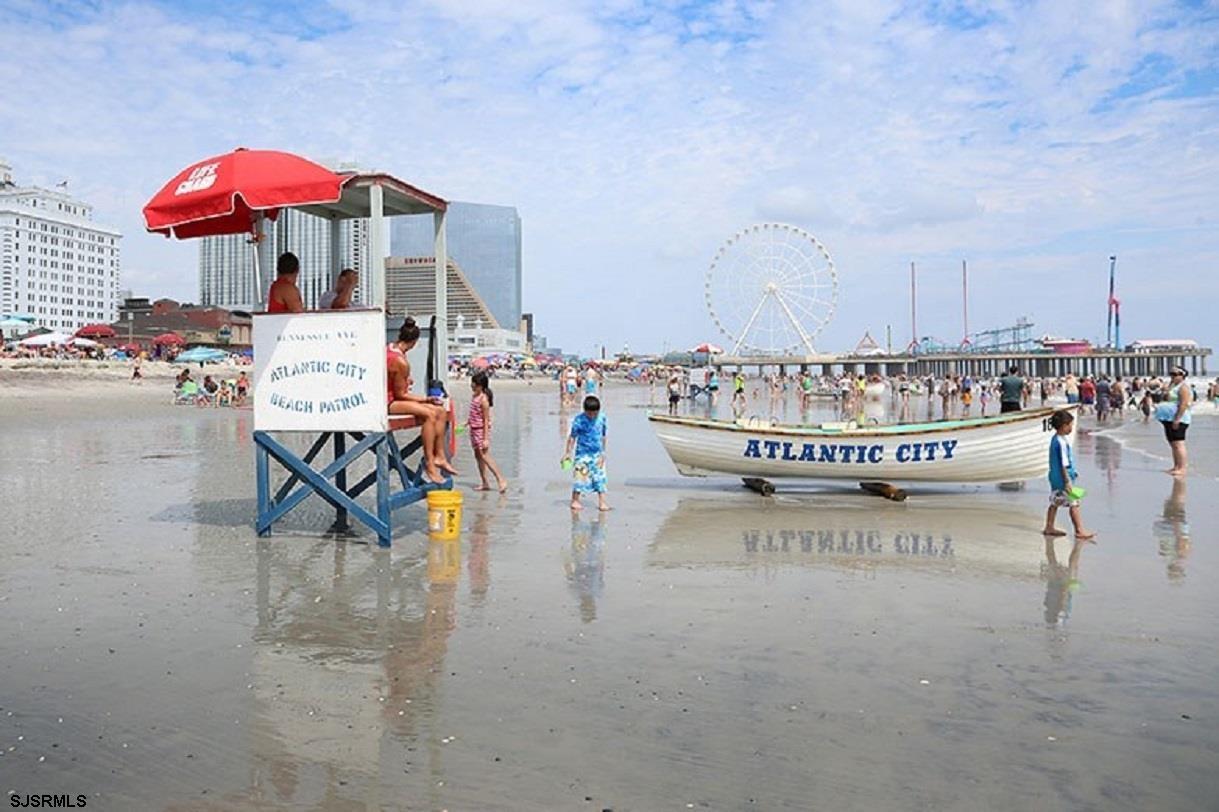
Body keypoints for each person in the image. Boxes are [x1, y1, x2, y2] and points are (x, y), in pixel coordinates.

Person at [387, 317, 457, 484]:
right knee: (429, 414)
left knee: (439, 411)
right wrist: (426, 399)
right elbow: (400, 395)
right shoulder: (401, 361)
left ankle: (439, 456)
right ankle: (429, 462)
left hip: (391, 397)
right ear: (414, 342)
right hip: (388, 402)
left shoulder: (390, 348)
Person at [1042, 409, 1094, 539]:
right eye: (1070, 425)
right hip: (1062, 478)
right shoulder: (1061, 442)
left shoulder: (1055, 439)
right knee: (1074, 502)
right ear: (1064, 426)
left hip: (1054, 477)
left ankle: (1049, 526)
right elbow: (1063, 463)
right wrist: (1067, 481)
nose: (1071, 427)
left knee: (1055, 502)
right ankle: (1079, 530)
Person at [564, 395, 609, 512]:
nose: (592, 416)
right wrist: (567, 453)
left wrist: (603, 452)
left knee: (600, 478)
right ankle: (575, 500)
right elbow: (572, 437)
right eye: (590, 414)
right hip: (582, 454)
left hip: (597, 454)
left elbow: (603, 436)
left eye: (595, 413)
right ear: (585, 411)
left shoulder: (602, 418)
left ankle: (602, 502)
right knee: (580, 478)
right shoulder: (579, 420)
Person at [468, 371, 507, 492]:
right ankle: (484, 482)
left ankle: (500, 479)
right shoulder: (475, 396)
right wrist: (467, 422)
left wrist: (485, 439)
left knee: (485, 455)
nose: (471, 386)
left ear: (480, 385)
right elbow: (475, 414)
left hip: (480, 430)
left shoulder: (483, 399)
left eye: (473, 384)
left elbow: (485, 420)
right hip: (473, 429)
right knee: (478, 456)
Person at [1156, 366, 1192, 477]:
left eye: (1175, 374)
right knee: (1172, 443)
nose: (1172, 376)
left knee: (1178, 444)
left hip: (1179, 419)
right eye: (1171, 374)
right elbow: (1165, 398)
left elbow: (1184, 404)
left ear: (1182, 376)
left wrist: (1177, 418)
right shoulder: (1173, 387)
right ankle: (1176, 466)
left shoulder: (1183, 388)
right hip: (1168, 418)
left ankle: (1182, 468)